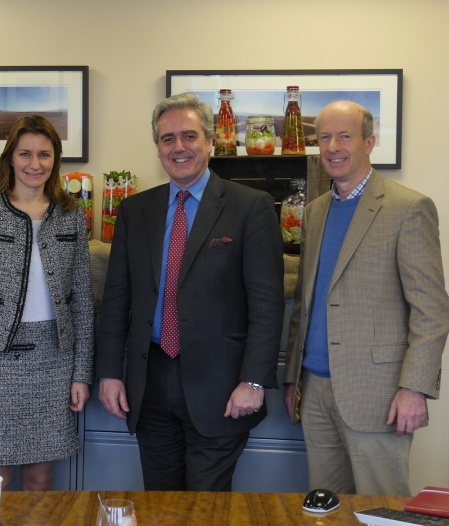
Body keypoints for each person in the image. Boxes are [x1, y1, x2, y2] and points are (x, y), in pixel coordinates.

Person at [96, 92, 284, 491]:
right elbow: (117, 301)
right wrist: (111, 372)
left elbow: (266, 305)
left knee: (206, 509)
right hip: (150, 382)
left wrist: (253, 381)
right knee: (159, 507)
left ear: (211, 141)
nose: (178, 147)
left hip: (222, 384)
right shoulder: (135, 211)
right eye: (167, 139)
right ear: (158, 148)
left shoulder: (251, 207)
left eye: (189, 136)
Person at [283, 101, 449, 496]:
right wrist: (293, 377)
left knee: (382, 512)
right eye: (324, 137)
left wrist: (415, 388)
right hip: (316, 392)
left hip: (379, 394)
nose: (332, 146)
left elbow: (432, 312)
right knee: (323, 510)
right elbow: (306, 306)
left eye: (345, 136)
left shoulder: (408, 208)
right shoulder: (316, 211)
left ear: (369, 141)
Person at [0, 115, 94, 491]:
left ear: (56, 160)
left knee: (40, 479)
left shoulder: (70, 214)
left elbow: (82, 300)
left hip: (54, 361)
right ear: (10, 159)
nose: (35, 164)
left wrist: (81, 374)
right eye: (25, 154)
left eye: (44, 154)